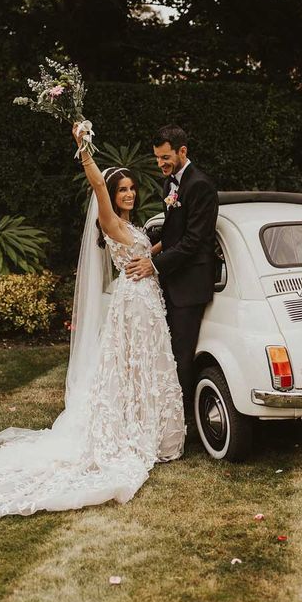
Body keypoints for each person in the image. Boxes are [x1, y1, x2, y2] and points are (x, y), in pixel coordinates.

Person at [0, 126, 184, 519]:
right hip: (133, 304)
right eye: (122, 190)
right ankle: (129, 435)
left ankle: (148, 428)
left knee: (143, 369)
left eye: (132, 188)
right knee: (131, 367)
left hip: (146, 302)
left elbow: (146, 251)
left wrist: (168, 241)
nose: (129, 194)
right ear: (111, 197)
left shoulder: (132, 228)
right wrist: (83, 147)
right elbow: (98, 183)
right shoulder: (109, 221)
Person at [126, 124, 218, 418]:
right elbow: (172, 231)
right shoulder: (170, 185)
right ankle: (167, 414)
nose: (160, 164)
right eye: (156, 158)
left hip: (191, 284)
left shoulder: (200, 185)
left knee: (182, 354)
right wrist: (147, 250)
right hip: (171, 278)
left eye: (165, 157)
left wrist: (152, 266)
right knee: (167, 351)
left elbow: (193, 242)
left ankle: (185, 421)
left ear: (182, 151)